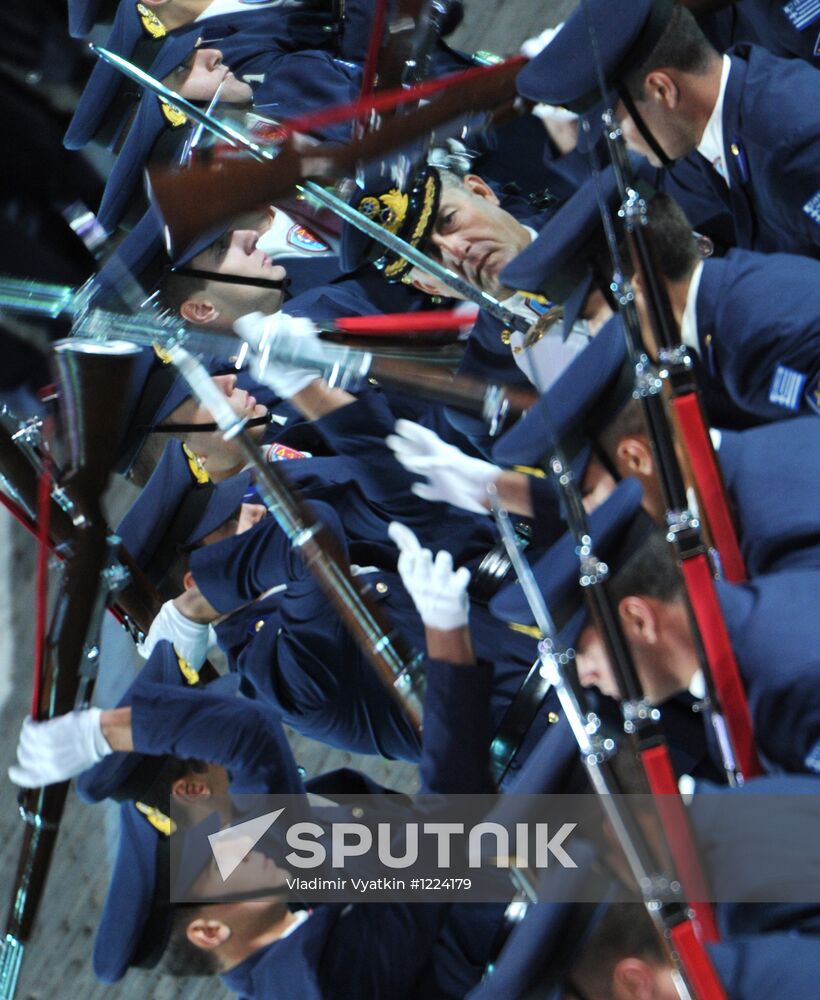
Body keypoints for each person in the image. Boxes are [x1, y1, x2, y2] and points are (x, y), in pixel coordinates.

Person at [518, 0, 820, 257]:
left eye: (618, 128)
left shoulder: (791, 147)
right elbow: (652, 192)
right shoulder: (723, 124)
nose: (625, 143)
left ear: (662, 90)